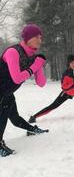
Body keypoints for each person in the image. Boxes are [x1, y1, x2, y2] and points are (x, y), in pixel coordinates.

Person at [0, 24, 49, 157]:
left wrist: (40, 66)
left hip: (6, 93)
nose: (40, 40)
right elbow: (17, 78)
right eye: (36, 37)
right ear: (27, 38)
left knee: (14, 118)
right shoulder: (13, 52)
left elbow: (41, 83)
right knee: (2, 117)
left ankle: (31, 129)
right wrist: (34, 67)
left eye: (40, 37)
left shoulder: (34, 58)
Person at [29, 54, 74, 123]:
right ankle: (34, 116)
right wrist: (73, 84)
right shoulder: (66, 73)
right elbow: (64, 87)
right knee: (53, 105)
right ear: (69, 64)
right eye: (72, 63)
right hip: (67, 93)